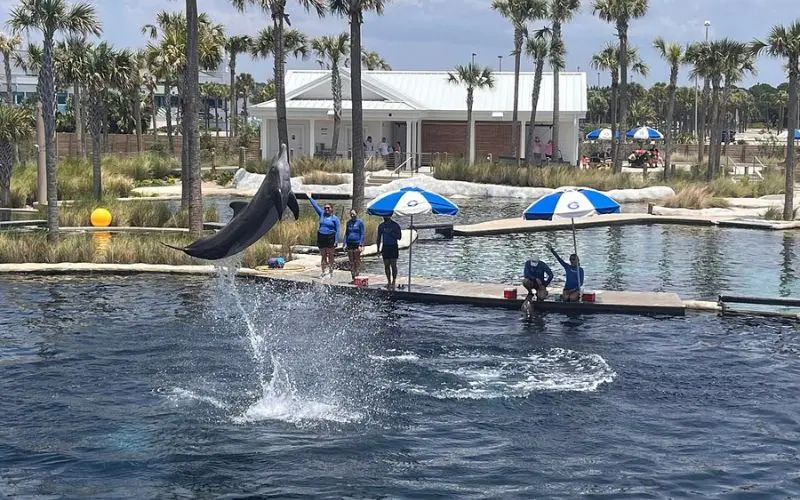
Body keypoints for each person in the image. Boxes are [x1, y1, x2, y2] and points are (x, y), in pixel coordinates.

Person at [308, 193, 341, 278]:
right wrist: (310, 197)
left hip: (330, 237)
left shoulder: (335, 219)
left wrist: (336, 240)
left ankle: (331, 271)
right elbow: (315, 206)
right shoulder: (322, 214)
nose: (326, 209)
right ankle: (323, 271)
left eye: (328, 208)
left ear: (331, 209)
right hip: (321, 236)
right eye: (325, 208)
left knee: (330, 255)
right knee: (323, 255)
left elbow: (338, 230)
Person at [376, 214, 403, 290]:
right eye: (384, 216)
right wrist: (378, 249)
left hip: (393, 246)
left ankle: (394, 281)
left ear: (390, 216)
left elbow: (399, 237)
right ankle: (389, 281)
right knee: (386, 265)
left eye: (386, 216)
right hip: (385, 247)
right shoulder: (381, 226)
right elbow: (378, 238)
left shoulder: (395, 225)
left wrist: (391, 233)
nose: (385, 217)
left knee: (393, 265)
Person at [344, 209, 366, 283]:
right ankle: (353, 276)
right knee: (351, 261)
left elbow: (362, 234)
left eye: (353, 214)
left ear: (356, 214)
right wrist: (345, 243)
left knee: (357, 260)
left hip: (357, 243)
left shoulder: (360, 223)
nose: (352, 215)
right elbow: (346, 234)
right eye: (351, 214)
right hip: (350, 243)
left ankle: (357, 275)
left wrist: (361, 244)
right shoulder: (348, 223)